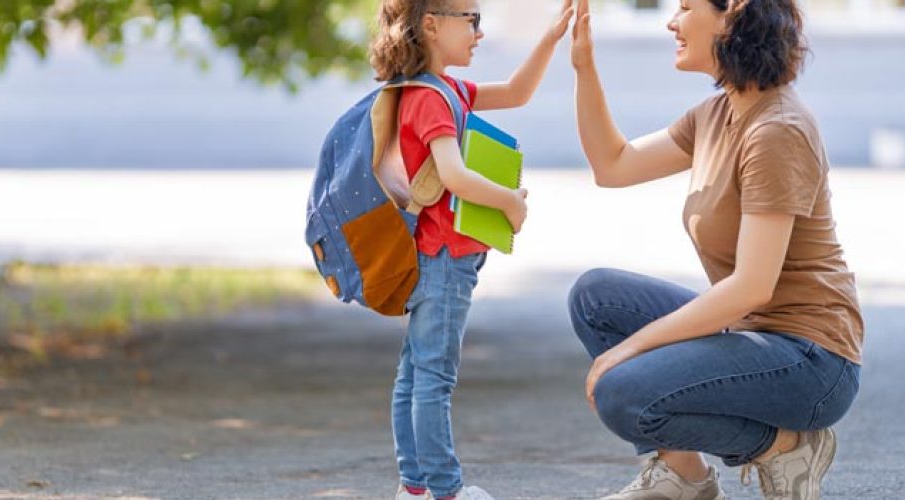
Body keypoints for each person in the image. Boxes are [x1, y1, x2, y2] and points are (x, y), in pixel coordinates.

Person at [567, 0, 863, 499]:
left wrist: (630, 349)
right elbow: (612, 165)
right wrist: (584, 65)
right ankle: (685, 475)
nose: (672, 21)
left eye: (684, 7)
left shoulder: (776, 130)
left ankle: (784, 445)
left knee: (623, 392)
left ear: (733, 15)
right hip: (755, 334)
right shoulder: (717, 114)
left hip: (812, 360)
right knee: (596, 297)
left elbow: (751, 286)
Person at [368, 0, 574, 498]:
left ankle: (414, 487)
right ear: (432, 25)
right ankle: (446, 490)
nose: (479, 32)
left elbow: (517, 93)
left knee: (414, 373)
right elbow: (455, 175)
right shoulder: (432, 99)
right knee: (433, 378)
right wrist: (510, 203)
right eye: (472, 19)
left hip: (428, 255)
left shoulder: (438, 90)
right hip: (443, 259)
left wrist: (549, 38)